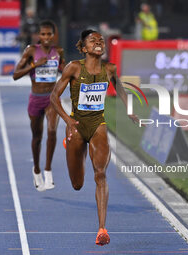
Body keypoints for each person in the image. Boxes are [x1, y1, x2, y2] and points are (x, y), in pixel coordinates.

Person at [50, 30, 138, 245]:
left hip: (98, 125)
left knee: (100, 173)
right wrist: (67, 121)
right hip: (76, 126)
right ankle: (69, 145)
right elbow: (54, 96)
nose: (98, 42)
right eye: (93, 40)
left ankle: (102, 229)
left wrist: (129, 110)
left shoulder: (110, 69)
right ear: (83, 47)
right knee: (77, 184)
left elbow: (120, 88)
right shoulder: (73, 67)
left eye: (101, 40)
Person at [13, 20, 65, 191]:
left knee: (52, 131)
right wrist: (35, 65)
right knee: (37, 138)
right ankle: (36, 169)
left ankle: (48, 170)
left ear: (54, 35)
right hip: (36, 98)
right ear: (38, 36)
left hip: (51, 99)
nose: (46, 37)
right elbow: (15, 75)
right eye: (43, 34)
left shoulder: (58, 52)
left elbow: (65, 71)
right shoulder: (31, 51)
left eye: (49, 34)